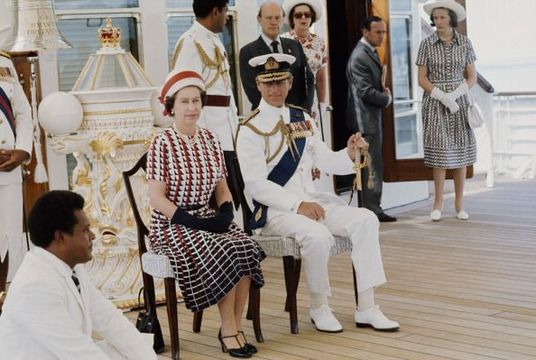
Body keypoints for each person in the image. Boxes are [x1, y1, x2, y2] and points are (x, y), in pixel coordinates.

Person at [236, 53, 399, 333]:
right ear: (258, 86)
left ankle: (367, 308)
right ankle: (319, 307)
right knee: (318, 235)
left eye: (280, 82)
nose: (275, 89)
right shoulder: (249, 128)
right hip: (275, 212)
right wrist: (298, 204)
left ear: (289, 82)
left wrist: (349, 152)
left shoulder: (303, 119)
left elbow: (326, 161)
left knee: (366, 220)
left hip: (313, 203)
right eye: (268, 83)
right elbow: (256, 185)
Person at [148, 69, 265, 358]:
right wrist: (191, 221)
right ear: (171, 106)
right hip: (172, 224)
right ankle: (228, 331)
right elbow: (156, 199)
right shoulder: (161, 143)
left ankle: (235, 327)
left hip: (208, 216)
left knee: (245, 246)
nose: (191, 108)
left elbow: (222, 189)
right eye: (184, 102)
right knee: (223, 249)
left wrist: (225, 214)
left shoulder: (211, 139)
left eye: (196, 101)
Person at [0, 190, 157, 359]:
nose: (93, 236)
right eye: (85, 230)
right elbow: (78, 352)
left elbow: (110, 320)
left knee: (129, 348)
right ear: (61, 237)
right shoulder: (35, 285)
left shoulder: (71, 267)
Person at [170, 0, 242, 207]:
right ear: (215, 11)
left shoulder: (214, 41)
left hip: (226, 128)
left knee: (233, 193)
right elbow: (183, 93)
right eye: (226, 10)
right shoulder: (190, 42)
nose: (227, 16)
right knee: (213, 198)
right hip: (206, 129)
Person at [416, 0, 477, 221]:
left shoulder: (465, 43)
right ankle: (438, 204)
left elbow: (472, 76)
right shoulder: (426, 44)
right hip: (435, 104)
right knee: (440, 155)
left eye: (442, 17)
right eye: (435, 17)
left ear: (451, 18)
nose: (437, 21)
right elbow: (422, 79)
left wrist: (456, 94)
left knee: (460, 153)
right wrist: (442, 96)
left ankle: (460, 205)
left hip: (460, 103)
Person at [345, 16, 396, 222]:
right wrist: (387, 99)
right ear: (365, 32)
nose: (382, 36)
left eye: (384, 32)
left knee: (372, 164)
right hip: (364, 121)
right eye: (378, 32)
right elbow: (365, 91)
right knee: (370, 166)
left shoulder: (368, 52)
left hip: (370, 119)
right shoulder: (359, 56)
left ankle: (373, 207)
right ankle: (371, 210)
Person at [0, 49, 33, 312]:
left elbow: (22, 112)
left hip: (7, 167)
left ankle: (2, 302)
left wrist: (23, 149)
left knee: (7, 238)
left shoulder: (3, 61)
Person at [239, 0, 314, 112]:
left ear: (283, 19)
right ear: (259, 20)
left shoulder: (295, 46)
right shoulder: (248, 52)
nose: (274, 22)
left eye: (278, 18)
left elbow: (308, 80)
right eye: (269, 18)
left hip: (296, 117)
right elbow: (252, 92)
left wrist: (303, 110)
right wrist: (278, 113)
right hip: (265, 118)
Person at [281, 0, 327, 125]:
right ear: (292, 18)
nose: (303, 18)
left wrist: (322, 103)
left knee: (313, 141)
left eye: (307, 15)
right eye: (298, 15)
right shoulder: (283, 41)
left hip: (313, 102)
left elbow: (321, 77)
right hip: (290, 101)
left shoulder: (319, 42)